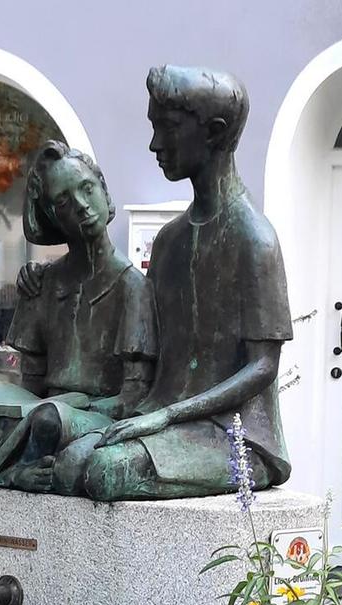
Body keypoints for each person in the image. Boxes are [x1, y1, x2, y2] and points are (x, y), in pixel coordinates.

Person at [83, 65, 292, 501]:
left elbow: (263, 366)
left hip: (234, 438)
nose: (155, 144)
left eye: (169, 128)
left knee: (103, 470)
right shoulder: (169, 241)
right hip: (161, 416)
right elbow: (148, 354)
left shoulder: (254, 239)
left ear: (213, 132)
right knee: (65, 454)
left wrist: (166, 417)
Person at [0, 141, 157, 493]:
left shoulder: (133, 287)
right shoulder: (42, 283)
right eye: (64, 201)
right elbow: (30, 384)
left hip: (85, 417)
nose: (82, 206)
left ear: (104, 191)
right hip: (34, 413)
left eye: (87, 189)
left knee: (48, 419)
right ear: (52, 216)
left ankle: (16, 472)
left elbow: (134, 396)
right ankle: (10, 472)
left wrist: (73, 403)